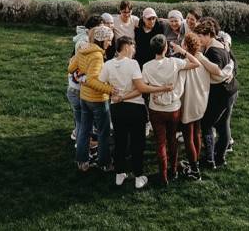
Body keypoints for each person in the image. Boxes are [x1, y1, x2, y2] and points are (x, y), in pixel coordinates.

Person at [101, 36, 173, 189]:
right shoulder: (133, 63)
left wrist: (114, 94)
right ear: (127, 46)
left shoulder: (107, 64)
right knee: (137, 143)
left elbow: (101, 83)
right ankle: (139, 176)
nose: (134, 50)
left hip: (116, 108)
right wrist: (163, 88)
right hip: (135, 108)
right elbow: (141, 88)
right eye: (133, 47)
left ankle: (119, 174)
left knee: (120, 141)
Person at [174, 32, 234, 181]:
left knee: (189, 137)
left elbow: (178, 87)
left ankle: (194, 169)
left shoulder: (183, 63)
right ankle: (204, 160)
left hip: (188, 103)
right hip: (201, 103)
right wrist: (231, 66)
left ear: (185, 46)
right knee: (197, 133)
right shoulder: (204, 60)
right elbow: (219, 75)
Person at [142, 34, 200, 186]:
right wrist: (182, 51)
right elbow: (196, 64)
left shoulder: (147, 66)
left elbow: (145, 87)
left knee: (160, 142)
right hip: (173, 108)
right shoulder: (175, 62)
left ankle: (163, 176)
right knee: (172, 139)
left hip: (156, 109)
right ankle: (173, 171)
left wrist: (156, 91)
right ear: (166, 48)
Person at [68, 25, 118, 172]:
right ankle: (104, 163)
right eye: (108, 40)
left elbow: (71, 68)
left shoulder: (83, 49)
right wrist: (110, 90)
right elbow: (92, 80)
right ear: (102, 40)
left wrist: (81, 74)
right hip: (98, 99)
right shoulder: (97, 56)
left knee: (84, 129)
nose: (110, 43)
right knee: (103, 132)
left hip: (84, 97)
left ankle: (82, 161)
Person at [193, 21, 238, 169]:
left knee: (206, 124)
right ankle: (220, 157)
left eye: (200, 36)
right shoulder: (218, 44)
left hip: (221, 93)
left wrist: (201, 57)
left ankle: (210, 158)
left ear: (208, 35)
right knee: (223, 123)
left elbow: (216, 70)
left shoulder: (213, 51)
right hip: (230, 90)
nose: (198, 39)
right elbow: (231, 60)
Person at [68, 15, 104, 142]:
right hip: (78, 90)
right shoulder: (84, 43)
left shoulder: (84, 40)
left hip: (74, 88)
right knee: (84, 123)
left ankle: (78, 137)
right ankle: (82, 145)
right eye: (99, 29)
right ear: (90, 29)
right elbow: (81, 67)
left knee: (81, 121)